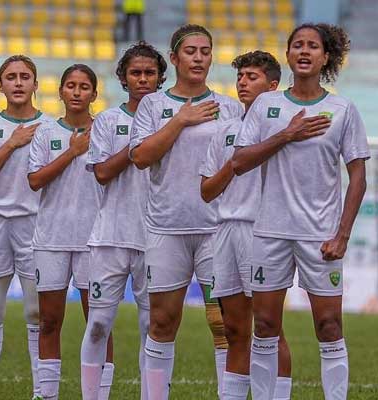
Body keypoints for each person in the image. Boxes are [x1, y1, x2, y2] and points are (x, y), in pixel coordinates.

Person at [232, 23, 367, 400]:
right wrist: (285, 135)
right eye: (297, 45)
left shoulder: (342, 109)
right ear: (288, 54)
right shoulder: (266, 105)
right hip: (271, 231)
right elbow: (240, 162)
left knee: (328, 325)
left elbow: (357, 176)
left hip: (320, 236)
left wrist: (341, 234)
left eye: (313, 46)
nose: (304, 51)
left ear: (326, 57)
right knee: (266, 324)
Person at [129, 24, 243, 399]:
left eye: (205, 51)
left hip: (216, 229)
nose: (198, 57)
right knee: (162, 321)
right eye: (191, 51)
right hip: (166, 227)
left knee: (225, 325)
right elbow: (141, 157)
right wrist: (180, 121)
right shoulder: (153, 105)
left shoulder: (230, 106)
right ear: (175, 59)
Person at [199, 50, 292, 400]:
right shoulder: (224, 130)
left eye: (251, 77)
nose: (242, 83)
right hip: (225, 230)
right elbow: (207, 191)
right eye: (240, 77)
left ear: (272, 85)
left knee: (269, 328)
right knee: (235, 329)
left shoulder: (284, 127)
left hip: (263, 230)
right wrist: (234, 164)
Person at [80, 41, 164, 400]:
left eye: (149, 73)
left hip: (156, 238)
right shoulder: (109, 121)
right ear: (124, 79)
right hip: (111, 236)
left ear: (161, 78)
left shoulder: (171, 120)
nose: (143, 79)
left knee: (151, 326)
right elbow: (100, 173)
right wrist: (137, 147)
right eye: (136, 72)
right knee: (98, 324)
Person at [0, 55, 53, 400]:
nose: (18, 83)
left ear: (35, 84)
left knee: (36, 311)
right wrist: (12, 142)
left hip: (36, 226)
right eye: (11, 77)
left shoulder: (49, 126)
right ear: (0, 85)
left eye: (25, 76)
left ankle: (39, 391)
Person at [26, 63, 100, 400]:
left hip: (93, 240)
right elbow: (35, 180)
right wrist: (71, 152)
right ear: (60, 92)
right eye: (70, 86)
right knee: (49, 321)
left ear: (94, 94)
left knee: (97, 324)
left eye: (84, 87)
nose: (77, 92)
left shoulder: (106, 129)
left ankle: (96, 394)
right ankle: (47, 394)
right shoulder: (45, 133)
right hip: (51, 239)